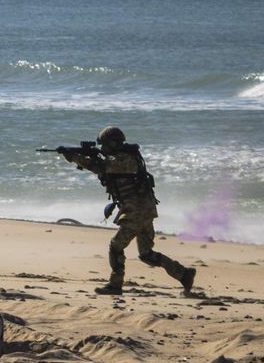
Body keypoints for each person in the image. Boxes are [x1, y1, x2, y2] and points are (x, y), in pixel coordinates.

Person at [54, 126, 199, 297]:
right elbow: (101, 165)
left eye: (105, 145)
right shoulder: (121, 157)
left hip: (136, 211)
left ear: (113, 144)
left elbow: (101, 166)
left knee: (116, 246)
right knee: (146, 254)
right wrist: (76, 156)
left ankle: (115, 285)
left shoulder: (125, 159)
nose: (102, 149)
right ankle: (183, 274)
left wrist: (75, 157)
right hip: (143, 210)